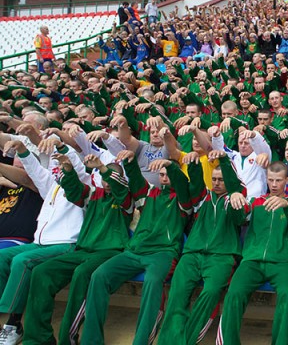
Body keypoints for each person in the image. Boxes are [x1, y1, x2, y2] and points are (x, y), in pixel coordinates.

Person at [81, 152, 192, 345]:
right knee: (99, 276)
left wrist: (171, 166)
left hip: (163, 253)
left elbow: (181, 183)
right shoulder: (149, 193)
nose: (164, 178)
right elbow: (133, 177)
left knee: (152, 282)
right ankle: (91, 340)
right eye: (162, 174)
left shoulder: (183, 199)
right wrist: (129, 160)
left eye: (168, 174)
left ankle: (141, 341)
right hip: (134, 251)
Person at [22, 154, 132, 345]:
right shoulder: (93, 195)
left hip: (111, 252)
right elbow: (73, 189)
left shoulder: (126, 199)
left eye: (113, 177)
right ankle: (37, 338)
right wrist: (68, 169)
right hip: (82, 251)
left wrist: (104, 169)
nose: (107, 182)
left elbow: (119, 188)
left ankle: (68, 339)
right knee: (41, 272)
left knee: (82, 274)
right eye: (105, 177)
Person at [0, 138, 86, 345]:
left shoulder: (84, 185)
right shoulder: (51, 186)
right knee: (2, 257)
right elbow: (35, 170)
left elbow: (79, 170)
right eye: (56, 167)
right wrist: (21, 149)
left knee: (23, 261)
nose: (58, 170)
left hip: (66, 243)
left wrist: (64, 150)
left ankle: (9, 319)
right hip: (40, 243)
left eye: (63, 167)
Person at [156, 152, 245, 345]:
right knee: (177, 294)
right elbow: (193, 184)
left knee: (211, 292)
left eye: (221, 179)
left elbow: (240, 211)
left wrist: (224, 162)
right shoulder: (203, 198)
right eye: (214, 179)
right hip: (192, 254)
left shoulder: (236, 199)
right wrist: (190, 165)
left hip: (221, 256)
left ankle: (185, 340)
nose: (217, 183)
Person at [217, 161, 288, 345]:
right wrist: (234, 198)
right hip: (252, 261)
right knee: (233, 293)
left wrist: (286, 206)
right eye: (271, 180)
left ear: (287, 180)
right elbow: (239, 218)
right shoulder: (256, 202)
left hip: (283, 262)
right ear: (266, 179)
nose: (274, 185)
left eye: (278, 180)